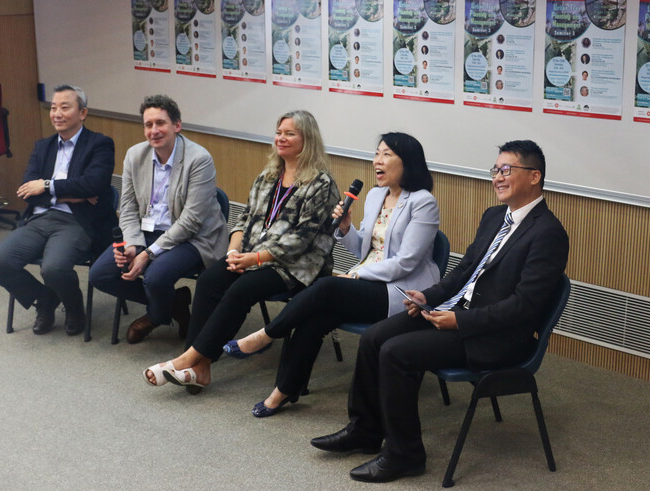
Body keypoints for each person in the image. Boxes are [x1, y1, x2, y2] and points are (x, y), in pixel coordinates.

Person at [310, 140, 569, 483]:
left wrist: (460, 320)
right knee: (375, 337)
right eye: (496, 170)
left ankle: (405, 455)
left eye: (507, 170)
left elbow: (524, 308)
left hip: (497, 336)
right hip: (455, 313)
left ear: (534, 177)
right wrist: (428, 296)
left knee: (396, 353)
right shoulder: (495, 216)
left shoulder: (549, 233)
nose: (498, 177)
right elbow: (464, 272)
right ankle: (365, 430)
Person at [227, 133, 440, 417]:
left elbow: (406, 263)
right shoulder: (377, 195)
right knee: (314, 317)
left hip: (401, 292)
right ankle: (283, 391)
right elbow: (362, 250)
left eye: (387, 154)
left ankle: (265, 336)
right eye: (377, 153)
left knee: (325, 287)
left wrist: (356, 277)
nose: (378, 160)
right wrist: (345, 228)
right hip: (366, 282)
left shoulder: (423, 202)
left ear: (408, 162)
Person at [143, 110, 340, 393]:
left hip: (296, 265)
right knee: (211, 279)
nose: (281, 138)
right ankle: (200, 367)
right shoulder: (269, 175)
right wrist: (233, 254)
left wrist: (255, 258)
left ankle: (187, 360)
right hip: (252, 256)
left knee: (241, 289)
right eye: (279, 132)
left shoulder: (321, 183)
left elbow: (302, 240)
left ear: (307, 140)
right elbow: (244, 219)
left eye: (290, 133)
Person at [89, 95, 227, 343]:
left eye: (160, 123)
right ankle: (175, 303)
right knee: (101, 274)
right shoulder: (134, 156)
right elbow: (129, 206)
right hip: (148, 231)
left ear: (177, 125)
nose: (154, 131)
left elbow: (192, 221)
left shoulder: (199, 159)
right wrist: (132, 243)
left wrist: (147, 254)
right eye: (148, 125)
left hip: (193, 238)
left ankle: (156, 316)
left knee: (155, 276)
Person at [0, 84, 116, 336]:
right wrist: (73, 194)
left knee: (53, 268)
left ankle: (75, 308)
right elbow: (27, 188)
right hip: (39, 217)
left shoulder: (100, 144)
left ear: (82, 113)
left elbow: (94, 184)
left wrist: (46, 185)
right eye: (53, 107)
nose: (57, 113)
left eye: (65, 107)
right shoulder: (42, 146)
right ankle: (45, 299)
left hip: (77, 222)